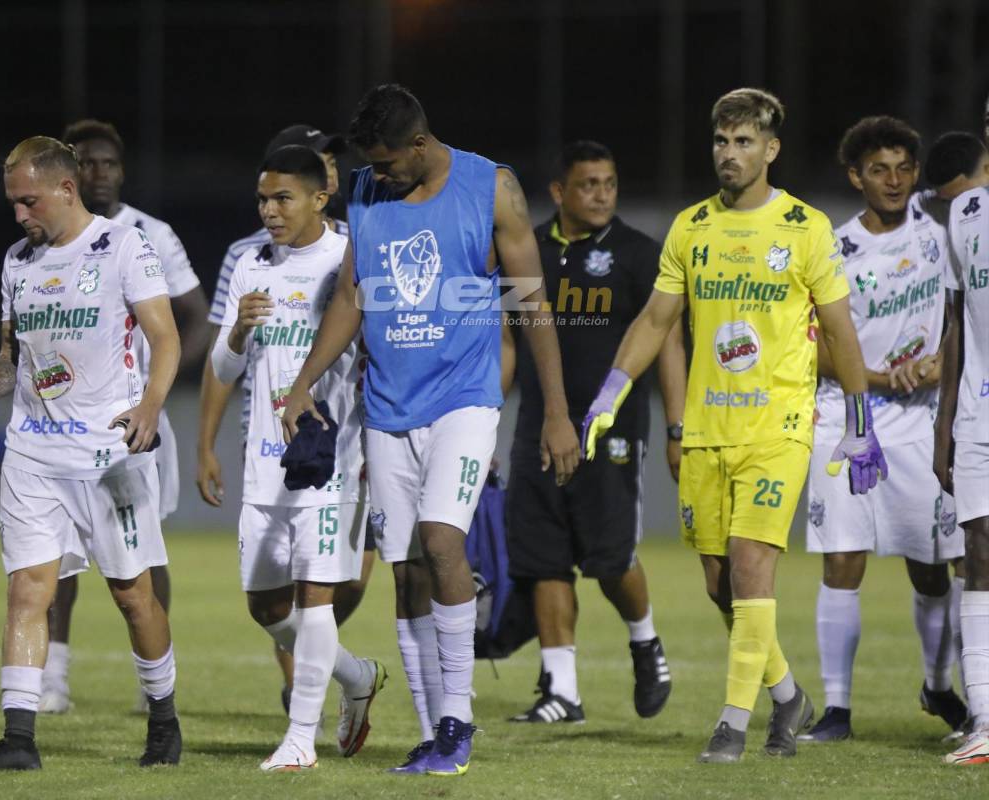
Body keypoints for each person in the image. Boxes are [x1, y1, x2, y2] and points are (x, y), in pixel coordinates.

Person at [281, 84, 580, 776]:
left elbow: (531, 305)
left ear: (420, 144)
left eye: (387, 165)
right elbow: (353, 296)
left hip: (464, 401)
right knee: (407, 569)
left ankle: (457, 723)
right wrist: (302, 382)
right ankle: (430, 729)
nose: (376, 178)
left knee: (444, 541)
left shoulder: (491, 189)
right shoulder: (364, 190)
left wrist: (557, 412)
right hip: (387, 405)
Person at [582, 88, 887, 764]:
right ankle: (787, 699)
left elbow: (838, 330)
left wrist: (860, 422)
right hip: (707, 431)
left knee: (752, 572)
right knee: (722, 586)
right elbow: (657, 322)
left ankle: (731, 723)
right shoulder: (691, 227)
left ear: (771, 150)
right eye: (722, 141)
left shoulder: (804, 228)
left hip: (777, 429)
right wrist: (610, 391)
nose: (729, 153)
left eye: (744, 142)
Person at [0, 136, 182, 770]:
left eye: (28, 201)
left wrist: (150, 407)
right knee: (28, 591)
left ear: (65, 189)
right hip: (32, 450)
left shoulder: (121, 247)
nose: (20, 215)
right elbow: (12, 357)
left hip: (110, 455)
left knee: (133, 596)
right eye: (12, 203)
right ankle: (19, 741)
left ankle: (163, 721)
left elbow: (166, 339)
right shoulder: (17, 261)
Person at [211, 145, 385, 772]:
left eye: (282, 197)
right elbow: (224, 368)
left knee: (316, 599)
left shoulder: (349, 259)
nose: (270, 210)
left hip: (329, 456)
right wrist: (234, 333)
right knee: (266, 607)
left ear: (320, 197)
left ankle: (299, 741)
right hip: (264, 461)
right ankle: (357, 675)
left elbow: (378, 354)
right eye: (263, 199)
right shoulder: (249, 264)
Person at [798, 117, 964, 743]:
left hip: (923, 421)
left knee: (933, 567)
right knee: (843, 560)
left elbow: (965, 313)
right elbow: (807, 344)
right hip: (848, 419)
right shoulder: (832, 249)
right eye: (878, 170)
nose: (893, 181)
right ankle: (838, 710)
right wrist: (867, 375)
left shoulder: (943, 235)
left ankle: (938, 686)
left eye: (903, 168)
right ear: (855, 177)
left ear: (916, 174)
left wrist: (938, 362)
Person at [504, 140, 681, 724]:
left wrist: (678, 426)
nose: (602, 193)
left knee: (610, 558)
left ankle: (645, 640)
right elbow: (508, 341)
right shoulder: (523, 251)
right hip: (536, 425)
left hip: (613, 429)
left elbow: (668, 344)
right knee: (543, 558)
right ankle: (562, 691)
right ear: (558, 192)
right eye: (588, 184)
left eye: (609, 182)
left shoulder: (637, 255)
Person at [35, 118, 208, 715]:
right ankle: (52, 678)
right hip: (63, 425)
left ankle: (151, 684)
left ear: (123, 171)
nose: (99, 173)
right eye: (86, 162)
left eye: (108, 163)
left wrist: (154, 392)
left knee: (145, 553)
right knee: (57, 552)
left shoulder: (150, 234)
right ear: (66, 175)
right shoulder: (45, 240)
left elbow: (198, 317)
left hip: (136, 426)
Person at [937, 134, 989, 766]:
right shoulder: (965, 213)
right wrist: (942, 426)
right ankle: (983, 719)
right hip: (977, 412)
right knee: (979, 554)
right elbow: (955, 321)